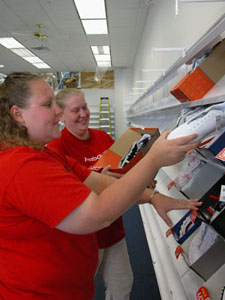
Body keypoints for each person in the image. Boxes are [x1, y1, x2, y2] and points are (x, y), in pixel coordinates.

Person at [0, 72, 201, 300]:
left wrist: (153, 196)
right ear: (18, 114)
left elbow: (101, 184)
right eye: (48, 104)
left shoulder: (45, 155)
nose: (58, 111)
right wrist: (153, 160)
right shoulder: (23, 166)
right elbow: (98, 214)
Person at [48, 88, 134, 300]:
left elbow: (122, 169)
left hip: (113, 230)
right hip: (82, 237)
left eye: (84, 107)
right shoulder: (57, 146)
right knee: (76, 292)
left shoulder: (103, 137)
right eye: (75, 110)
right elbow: (66, 193)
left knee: (122, 285)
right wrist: (100, 180)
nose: (83, 114)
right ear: (61, 115)